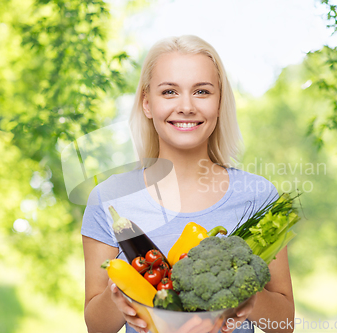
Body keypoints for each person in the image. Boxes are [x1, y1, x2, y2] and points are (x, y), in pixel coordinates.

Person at [82, 35, 295, 333]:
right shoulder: (109, 198)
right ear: (147, 103)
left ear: (219, 103)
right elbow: (96, 326)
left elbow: (284, 324)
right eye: (169, 91)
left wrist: (246, 294)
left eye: (202, 92)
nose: (186, 106)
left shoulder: (258, 197)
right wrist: (118, 294)